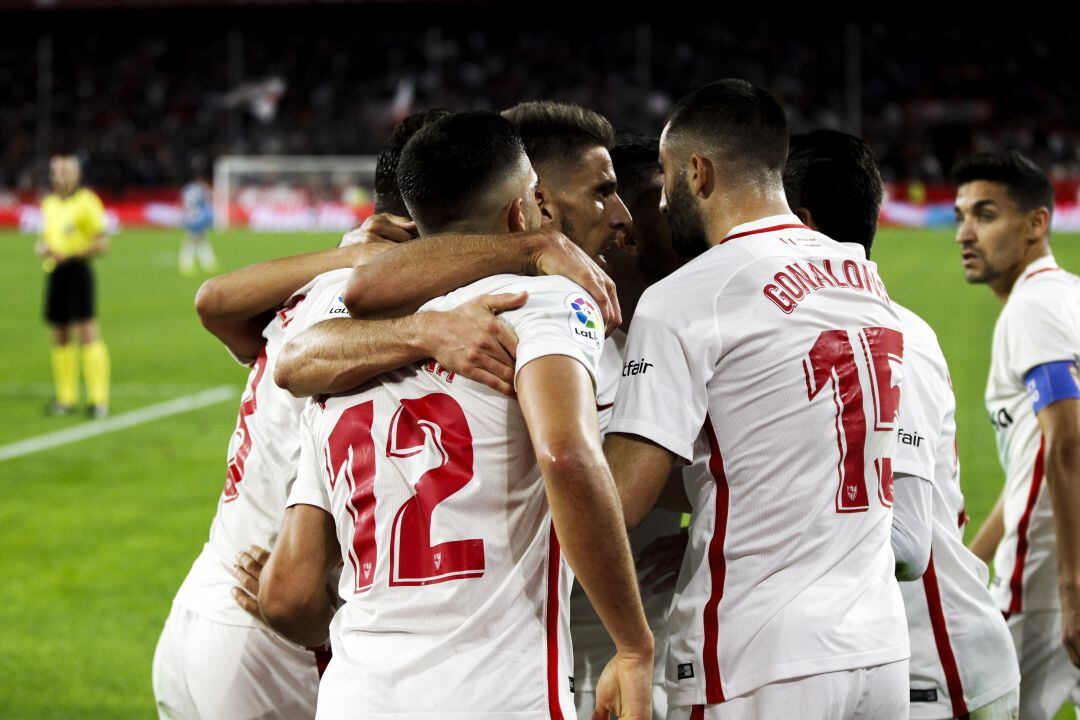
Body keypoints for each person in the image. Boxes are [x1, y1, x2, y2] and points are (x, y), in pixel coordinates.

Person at [153, 107, 609, 720]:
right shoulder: (386, 322)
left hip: (205, 607)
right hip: (278, 636)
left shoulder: (319, 305)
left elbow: (219, 306)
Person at [258, 110, 654, 719]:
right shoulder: (539, 299)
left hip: (355, 694)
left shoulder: (345, 348)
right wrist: (633, 646)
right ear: (527, 210)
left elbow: (297, 351)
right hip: (494, 693)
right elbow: (568, 455)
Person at [604, 79, 910, 720]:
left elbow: (621, 498)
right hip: (879, 646)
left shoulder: (689, 297)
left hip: (755, 655)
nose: (659, 203)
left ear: (697, 171)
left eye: (664, 178)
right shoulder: (861, 273)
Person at [786, 130, 1019, 719]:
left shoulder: (896, 341)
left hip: (940, 671)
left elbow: (908, 544)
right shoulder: (825, 334)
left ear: (803, 225)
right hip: (888, 659)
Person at [958, 151, 1080, 720]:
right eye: (961, 216)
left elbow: (1067, 443)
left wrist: (1070, 585)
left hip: (1046, 577)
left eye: (985, 215)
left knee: (985, 705)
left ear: (1036, 224)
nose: (964, 233)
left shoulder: (1033, 309)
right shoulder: (1067, 295)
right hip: (1061, 566)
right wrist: (966, 561)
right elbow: (1035, 460)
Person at [568, 135, 685, 720]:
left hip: (661, 648)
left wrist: (718, 531)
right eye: (661, 205)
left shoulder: (693, 326)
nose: (679, 221)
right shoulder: (571, 340)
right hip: (574, 654)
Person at [37, 154, 111, 419]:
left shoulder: (87, 202)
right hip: (55, 272)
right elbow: (47, 237)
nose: (61, 177)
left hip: (78, 271)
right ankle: (65, 398)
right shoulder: (49, 204)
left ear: (76, 175)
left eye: (66, 172)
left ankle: (97, 399)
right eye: (57, 172)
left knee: (87, 332)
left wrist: (70, 254)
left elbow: (102, 242)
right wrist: (44, 248)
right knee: (59, 334)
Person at [178, 166, 217, 276]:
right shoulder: (202, 188)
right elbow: (207, 201)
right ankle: (188, 263)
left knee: (196, 239)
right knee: (195, 240)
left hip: (189, 217)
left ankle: (206, 262)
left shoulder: (186, 189)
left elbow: (183, 203)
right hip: (199, 216)